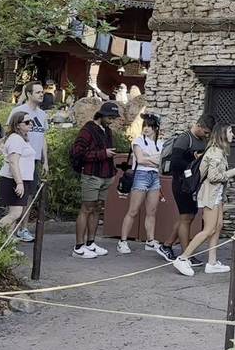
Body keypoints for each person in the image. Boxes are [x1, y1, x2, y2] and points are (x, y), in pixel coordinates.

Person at [173, 123, 235, 276]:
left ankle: (212, 262)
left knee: (217, 226)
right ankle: (183, 258)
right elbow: (213, 177)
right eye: (230, 131)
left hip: (216, 195)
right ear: (222, 134)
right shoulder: (216, 153)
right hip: (210, 195)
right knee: (209, 229)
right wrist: (231, 173)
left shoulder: (219, 151)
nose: (233, 134)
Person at [70, 100, 120, 259]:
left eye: (114, 117)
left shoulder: (107, 130)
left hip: (106, 175)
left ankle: (90, 242)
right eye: (110, 117)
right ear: (102, 115)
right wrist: (103, 154)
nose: (112, 120)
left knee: (98, 208)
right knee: (86, 208)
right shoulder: (87, 130)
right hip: (91, 174)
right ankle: (78, 246)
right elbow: (78, 153)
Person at [162, 114, 214, 265]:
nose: (206, 135)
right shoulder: (185, 139)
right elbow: (175, 163)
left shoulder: (201, 139)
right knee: (186, 218)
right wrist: (193, 157)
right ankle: (186, 255)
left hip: (192, 184)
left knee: (188, 217)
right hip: (181, 183)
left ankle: (167, 244)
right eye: (205, 132)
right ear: (198, 125)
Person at [118, 113, 167, 256]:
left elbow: (162, 163)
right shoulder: (138, 140)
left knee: (151, 211)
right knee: (133, 210)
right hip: (141, 175)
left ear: (156, 128)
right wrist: (153, 160)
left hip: (154, 176)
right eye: (144, 125)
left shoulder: (161, 143)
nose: (146, 128)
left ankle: (150, 241)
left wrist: (149, 158)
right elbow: (140, 160)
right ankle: (123, 241)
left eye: (150, 126)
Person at [7, 82, 49, 242]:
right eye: (38, 92)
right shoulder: (18, 111)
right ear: (29, 94)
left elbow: (43, 138)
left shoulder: (43, 114)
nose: (41, 94)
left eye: (42, 92)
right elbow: (8, 133)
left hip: (35, 160)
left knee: (30, 195)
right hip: (19, 159)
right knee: (16, 195)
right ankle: (10, 229)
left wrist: (46, 161)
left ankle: (23, 228)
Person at [0, 113, 37, 241]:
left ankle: (7, 244)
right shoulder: (15, 139)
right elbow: (13, 162)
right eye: (26, 122)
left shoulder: (21, 139)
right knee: (16, 213)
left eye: (31, 121)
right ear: (17, 125)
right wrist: (19, 183)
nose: (30, 124)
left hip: (21, 179)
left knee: (14, 214)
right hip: (14, 180)